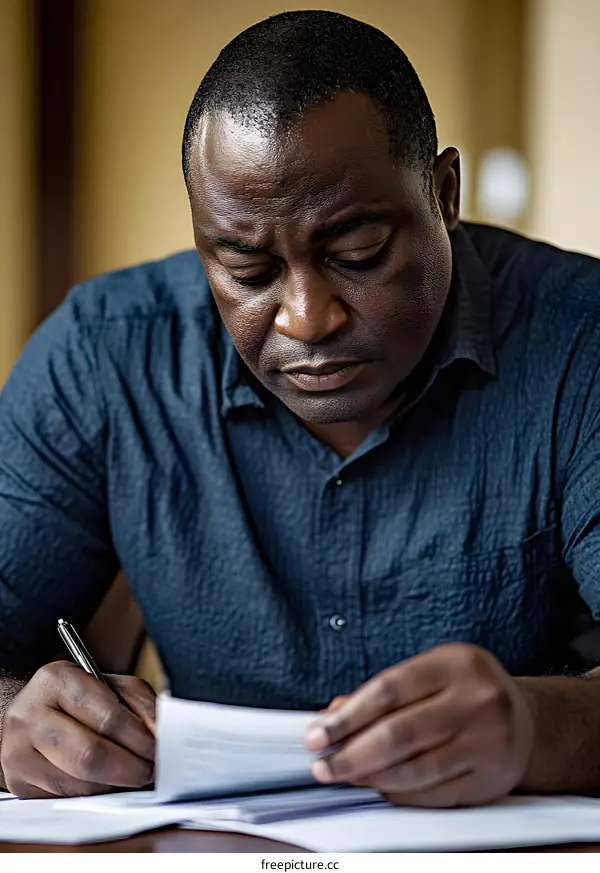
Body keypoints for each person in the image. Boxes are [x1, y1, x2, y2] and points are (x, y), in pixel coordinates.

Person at [1, 9, 600, 806]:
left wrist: (543, 725)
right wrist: (14, 717)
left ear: (444, 194)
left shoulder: (580, 343)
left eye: (357, 254)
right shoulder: (104, 355)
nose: (306, 319)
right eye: (248, 269)